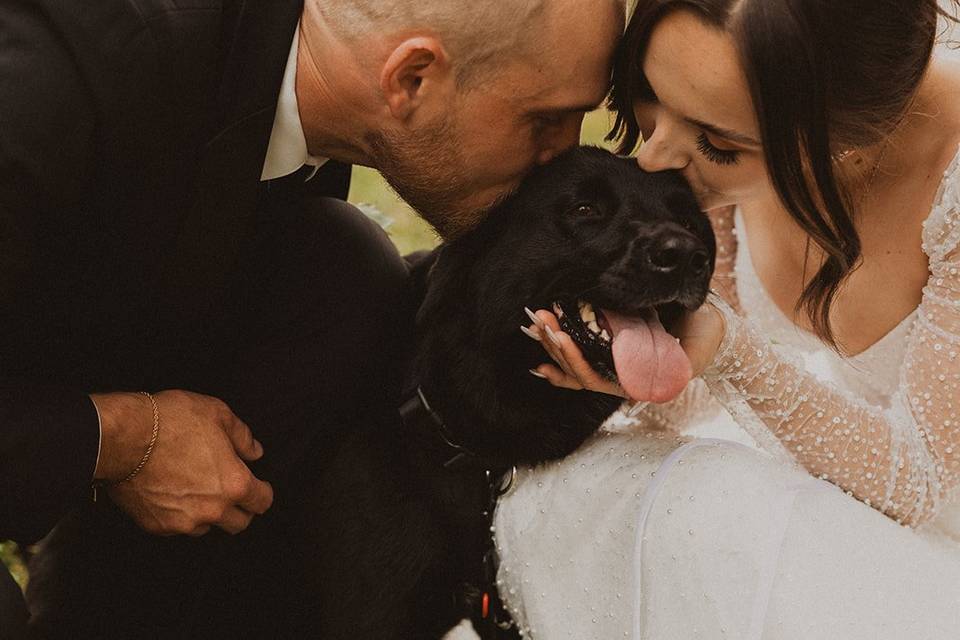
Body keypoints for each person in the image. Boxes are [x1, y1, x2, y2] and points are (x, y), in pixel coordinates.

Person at [0, 0, 625, 635]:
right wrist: (121, 438)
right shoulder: (42, 82)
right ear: (412, 79)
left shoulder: (266, 80)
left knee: (339, 267)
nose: (563, 154)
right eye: (546, 119)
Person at [503, 0, 960, 637]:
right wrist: (631, 362)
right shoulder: (710, 135)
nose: (656, 156)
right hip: (846, 479)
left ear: (846, 138)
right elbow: (694, 395)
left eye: (717, 144)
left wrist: (733, 356)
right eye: (647, 98)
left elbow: (921, 479)